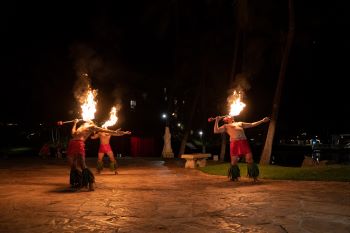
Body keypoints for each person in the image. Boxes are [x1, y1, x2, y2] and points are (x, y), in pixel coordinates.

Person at [66, 119, 124, 191]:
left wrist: (114, 132)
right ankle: (79, 181)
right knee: (73, 165)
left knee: (82, 164)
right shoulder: (80, 127)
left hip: (79, 144)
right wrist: (75, 123)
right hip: (72, 144)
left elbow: (103, 130)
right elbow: (73, 134)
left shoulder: (91, 126)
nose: (87, 120)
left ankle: (90, 182)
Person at [213, 115, 270, 181]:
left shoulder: (240, 123)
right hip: (234, 143)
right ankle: (234, 177)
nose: (229, 115)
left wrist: (262, 121)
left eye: (230, 115)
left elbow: (251, 124)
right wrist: (216, 121)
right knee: (234, 161)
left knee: (249, 158)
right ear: (225, 119)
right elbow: (216, 131)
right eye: (228, 116)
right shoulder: (226, 126)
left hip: (243, 142)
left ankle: (254, 176)